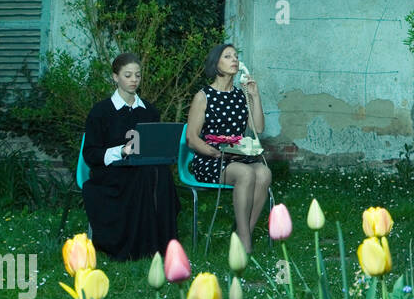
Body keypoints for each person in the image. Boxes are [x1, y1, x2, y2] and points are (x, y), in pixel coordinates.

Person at [81, 52, 180, 260]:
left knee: (161, 174)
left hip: (143, 167)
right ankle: (137, 246)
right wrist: (121, 150)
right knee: (142, 176)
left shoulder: (149, 111)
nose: (134, 80)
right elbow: (91, 153)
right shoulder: (100, 111)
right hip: (110, 173)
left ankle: (162, 245)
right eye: (128, 75)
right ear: (115, 77)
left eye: (137, 75)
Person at [186, 44, 272, 253]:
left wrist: (255, 96)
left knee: (264, 173)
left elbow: (258, 127)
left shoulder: (241, 94)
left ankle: (243, 233)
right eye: (227, 56)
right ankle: (244, 242)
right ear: (216, 64)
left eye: (235, 56)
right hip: (210, 158)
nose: (234, 60)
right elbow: (191, 138)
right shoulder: (204, 96)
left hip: (238, 155)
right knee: (245, 174)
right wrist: (212, 151)